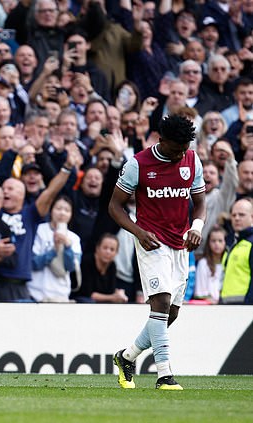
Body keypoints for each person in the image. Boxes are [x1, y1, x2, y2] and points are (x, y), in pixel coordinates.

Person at [109, 115, 206, 390]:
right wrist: (139, 232)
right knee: (161, 303)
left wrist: (196, 227)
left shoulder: (192, 160)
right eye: (176, 149)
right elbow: (114, 207)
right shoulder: (137, 164)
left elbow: (200, 203)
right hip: (151, 242)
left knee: (170, 314)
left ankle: (127, 357)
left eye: (184, 149)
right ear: (161, 140)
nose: (180, 155)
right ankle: (164, 374)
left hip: (181, 244)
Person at [220, 199, 253, 305]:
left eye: (241, 215)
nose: (237, 218)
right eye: (233, 215)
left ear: (252, 217)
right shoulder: (232, 242)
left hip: (244, 308)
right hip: (227, 305)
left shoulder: (250, 242)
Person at [194, 226, 226, 304]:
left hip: (226, 304)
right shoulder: (203, 263)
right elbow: (200, 291)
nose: (217, 244)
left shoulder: (228, 262)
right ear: (208, 242)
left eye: (220, 241)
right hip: (208, 305)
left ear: (225, 242)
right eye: (213, 241)